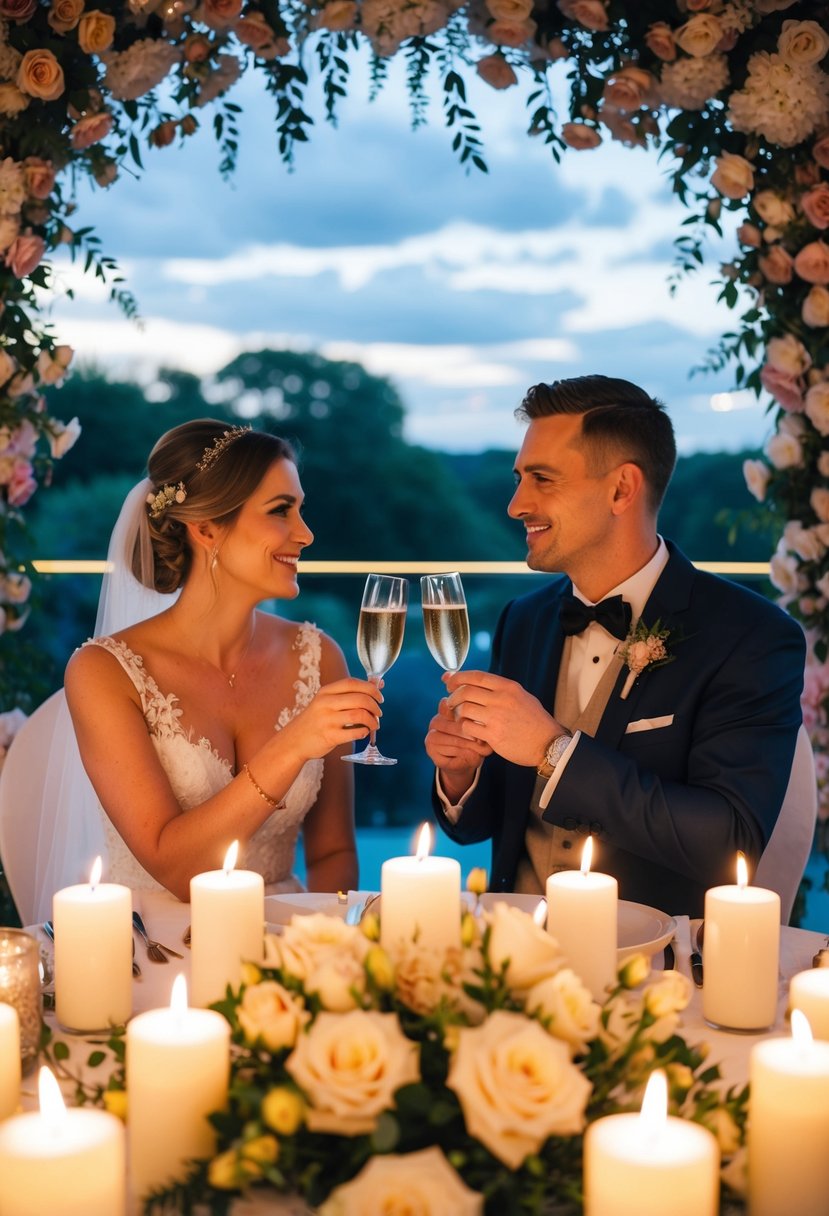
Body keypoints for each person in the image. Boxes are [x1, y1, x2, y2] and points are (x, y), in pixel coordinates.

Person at [426, 375, 806, 917]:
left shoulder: (750, 637)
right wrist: (461, 775)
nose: (515, 504)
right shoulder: (524, 619)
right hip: (509, 951)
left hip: (650, 967)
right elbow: (495, 823)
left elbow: (729, 842)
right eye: (518, 478)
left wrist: (552, 751)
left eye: (542, 479)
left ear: (622, 489)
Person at [36, 419, 381, 910]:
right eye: (281, 511)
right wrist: (291, 746)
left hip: (289, 936)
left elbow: (333, 852)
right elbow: (178, 869)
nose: (305, 534)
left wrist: (331, 945)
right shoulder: (103, 672)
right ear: (206, 527)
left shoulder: (320, 656)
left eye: (300, 510)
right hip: (159, 942)